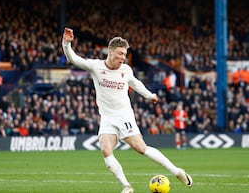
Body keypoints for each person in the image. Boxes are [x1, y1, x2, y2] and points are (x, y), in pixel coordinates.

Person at [62, 27, 193, 193]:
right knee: (105, 149)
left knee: (141, 148)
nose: (123, 58)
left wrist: (149, 95)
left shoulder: (126, 70)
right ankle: (126, 186)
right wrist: (66, 43)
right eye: (120, 54)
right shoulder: (96, 66)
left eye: (124, 54)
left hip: (124, 116)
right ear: (110, 52)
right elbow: (73, 59)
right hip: (107, 117)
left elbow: (136, 84)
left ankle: (177, 171)